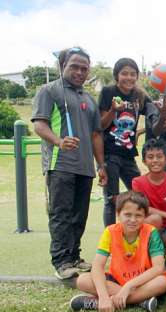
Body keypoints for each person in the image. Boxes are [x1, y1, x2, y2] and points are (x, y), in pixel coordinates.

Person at [32, 47, 107, 280]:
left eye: (84, 68)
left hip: (85, 168)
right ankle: (61, 261)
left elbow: (96, 135)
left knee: (79, 215)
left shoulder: (88, 99)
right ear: (62, 66)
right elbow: (39, 124)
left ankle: (74, 256)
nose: (80, 72)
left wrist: (101, 165)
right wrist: (58, 141)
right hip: (60, 164)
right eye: (74, 66)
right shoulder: (49, 90)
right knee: (61, 214)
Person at [69, 191, 166, 312]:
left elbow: (158, 268)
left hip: (143, 282)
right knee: (82, 280)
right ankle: (140, 301)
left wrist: (128, 287)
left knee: (163, 282)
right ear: (118, 214)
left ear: (144, 216)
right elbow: (97, 266)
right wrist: (103, 296)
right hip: (117, 279)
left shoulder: (151, 232)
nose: (133, 220)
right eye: (127, 215)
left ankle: (100, 303)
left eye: (138, 215)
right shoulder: (110, 231)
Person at [98, 57, 158, 226]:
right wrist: (112, 110)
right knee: (111, 198)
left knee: (139, 195)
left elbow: (154, 117)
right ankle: (110, 240)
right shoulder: (108, 92)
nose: (129, 77)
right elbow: (101, 125)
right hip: (110, 153)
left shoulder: (140, 95)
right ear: (117, 75)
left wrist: (141, 130)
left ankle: (137, 233)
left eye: (133, 74)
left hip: (128, 154)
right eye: (124, 73)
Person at [132, 139, 166, 257]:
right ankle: (153, 258)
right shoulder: (137, 182)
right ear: (144, 161)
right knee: (155, 219)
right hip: (147, 226)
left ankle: (164, 254)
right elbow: (144, 207)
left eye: (159, 156)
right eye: (150, 157)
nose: (155, 160)